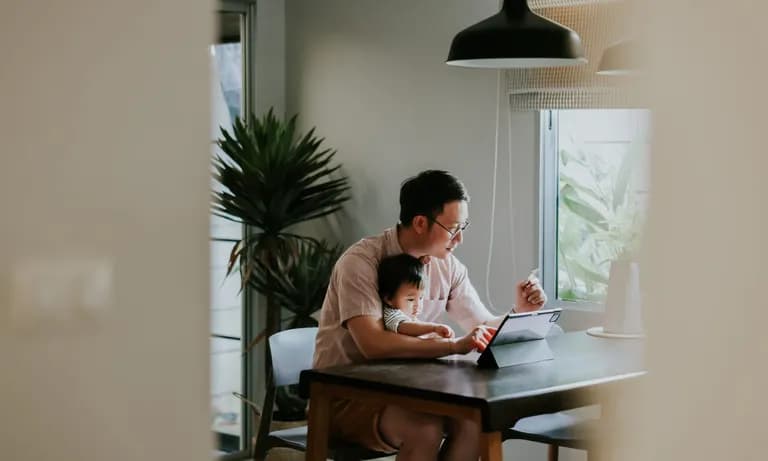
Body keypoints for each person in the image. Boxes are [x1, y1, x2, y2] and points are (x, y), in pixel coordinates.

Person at [314, 170, 547, 461]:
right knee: (424, 429)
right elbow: (373, 344)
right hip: (345, 398)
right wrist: (451, 346)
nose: (460, 239)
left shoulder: (447, 266)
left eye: (465, 227)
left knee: (476, 423)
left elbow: (480, 326)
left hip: (412, 391)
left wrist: (519, 313)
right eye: (453, 228)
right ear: (420, 223)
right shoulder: (361, 262)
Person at [378, 253, 456, 341]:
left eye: (421, 298)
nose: (418, 304)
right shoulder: (391, 314)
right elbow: (405, 326)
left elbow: (420, 332)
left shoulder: (410, 316)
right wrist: (433, 328)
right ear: (388, 299)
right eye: (410, 299)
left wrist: (435, 335)